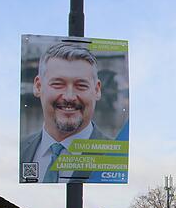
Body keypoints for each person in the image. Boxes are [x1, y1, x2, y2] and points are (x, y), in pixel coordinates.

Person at [19, 42, 110, 183]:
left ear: (97, 90)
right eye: (57, 84)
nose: (69, 96)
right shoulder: (21, 150)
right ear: (38, 86)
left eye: (81, 85)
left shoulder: (113, 155)